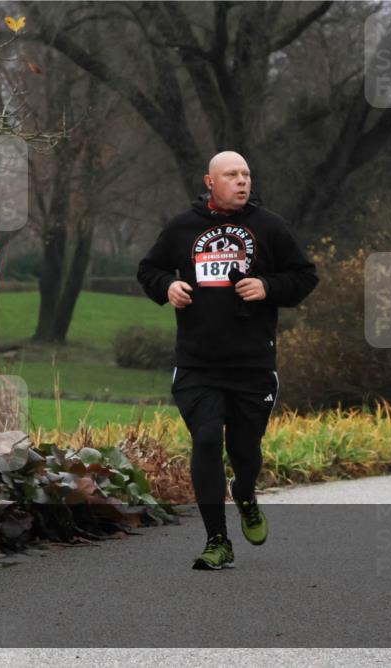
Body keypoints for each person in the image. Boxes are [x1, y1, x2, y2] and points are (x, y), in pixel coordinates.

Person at [137, 151, 317, 570]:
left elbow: (305, 276)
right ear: (210, 182)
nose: (242, 181)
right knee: (204, 440)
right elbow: (149, 269)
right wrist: (168, 287)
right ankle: (217, 539)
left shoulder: (269, 226)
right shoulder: (183, 227)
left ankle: (247, 493)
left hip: (252, 363)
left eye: (246, 174)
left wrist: (268, 287)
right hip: (198, 362)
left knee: (244, 451)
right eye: (232, 175)